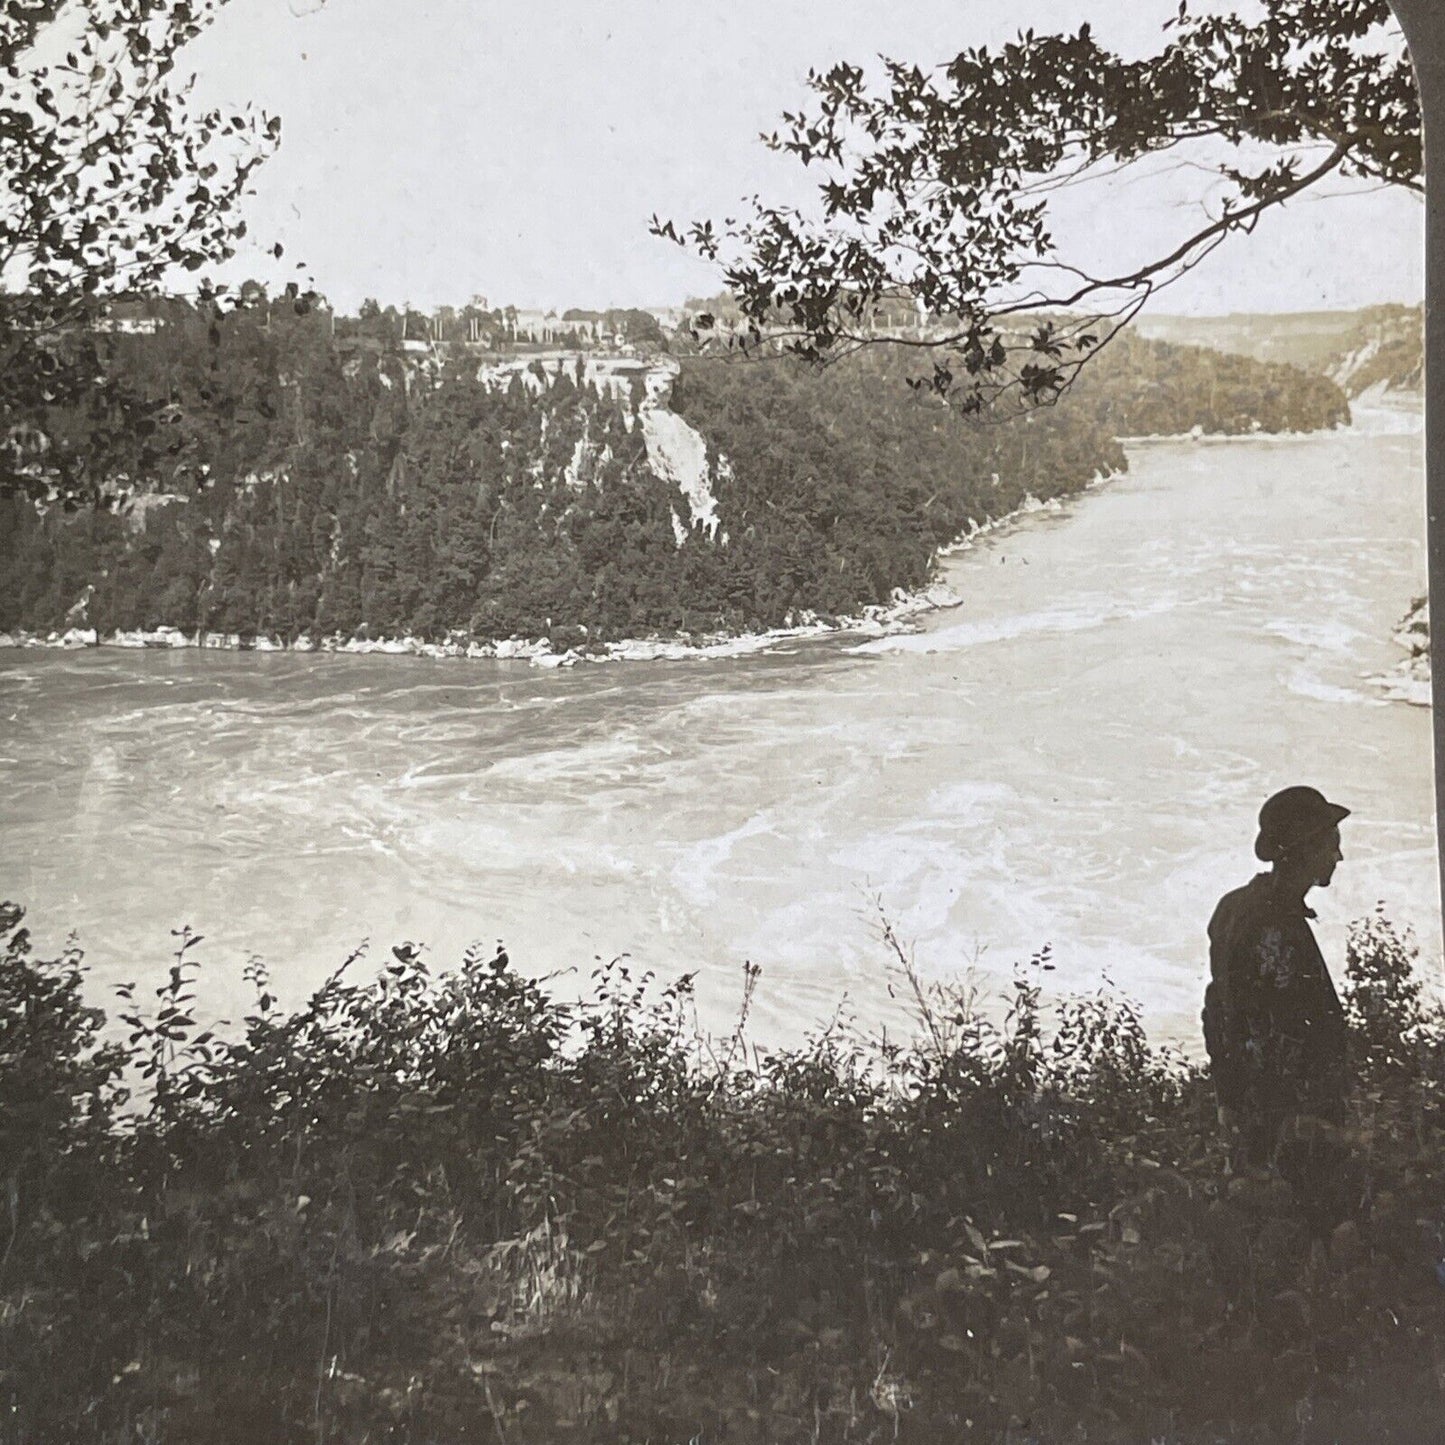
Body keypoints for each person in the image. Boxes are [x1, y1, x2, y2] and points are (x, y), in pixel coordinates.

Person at [1203, 785, 1354, 1235]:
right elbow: (1283, 1034)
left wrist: (1227, 1098)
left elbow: (1218, 1011)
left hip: (1257, 1114)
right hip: (1290, 1126)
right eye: (1332, 843)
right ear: (1304, 847)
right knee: (1304, 1236)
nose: (1338, 857)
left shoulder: (1236, 907)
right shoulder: (1275, 924)